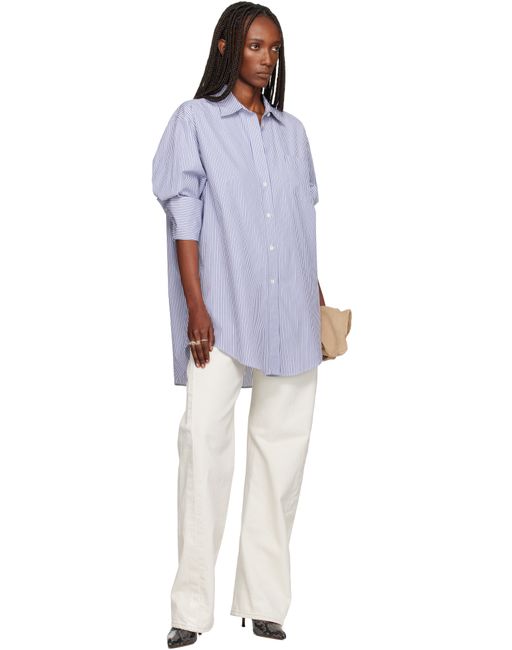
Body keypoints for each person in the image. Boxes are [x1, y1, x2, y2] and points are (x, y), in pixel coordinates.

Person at [151, 2, 326, 646]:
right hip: (221, 310)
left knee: (282, 457)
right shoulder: (194, 121)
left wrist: (316, 298)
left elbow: (301, 226)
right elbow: (185, 220)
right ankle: (189, 609)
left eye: (274, 49)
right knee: (203, 447)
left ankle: (265, 601)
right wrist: (196, 305)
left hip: (290, 316)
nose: (266, 59)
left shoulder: (293, 133)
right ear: (227, 46)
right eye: (255, 45)